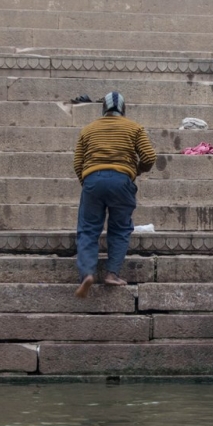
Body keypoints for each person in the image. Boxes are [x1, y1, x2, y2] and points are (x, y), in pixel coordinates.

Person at [73, 92, 157, 298]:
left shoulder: (89, 129)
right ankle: (112, 274)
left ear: (103, 109)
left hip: (93, 179)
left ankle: (87, 274)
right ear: (123, 109)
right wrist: (135, 172)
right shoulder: (134, 127)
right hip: (122, 180)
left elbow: (77, 163)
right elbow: (149, 156)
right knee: (119, 229)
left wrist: (89, 183)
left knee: (88, 229)